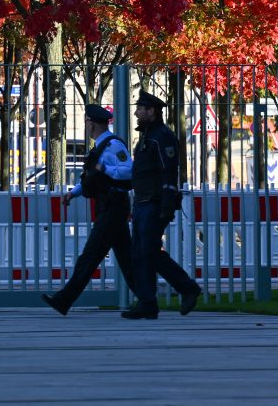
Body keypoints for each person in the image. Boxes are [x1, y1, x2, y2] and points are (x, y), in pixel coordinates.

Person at [41, 104, 133, 315]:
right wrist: (74, 193)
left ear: (91, 125)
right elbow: (93, 179)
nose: (86, 126)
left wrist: (105, 168)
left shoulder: (112, 146)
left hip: (113, 207)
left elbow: (128, 171)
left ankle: (64, 300)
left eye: (87, 122)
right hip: (108, 206)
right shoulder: (100, 147)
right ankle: (149, 300)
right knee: (127, 259)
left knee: (89, 256)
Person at [122, 91, 200, 319]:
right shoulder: (148, 137)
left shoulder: (162, 137)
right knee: (140, 253)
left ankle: (186, 288)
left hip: (154, 204)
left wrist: (166, 204)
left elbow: (169, 172)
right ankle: (148, 302)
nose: (136, 112)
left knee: (148, 251)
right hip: (142, 203)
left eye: (140, 108)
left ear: (151, 111)